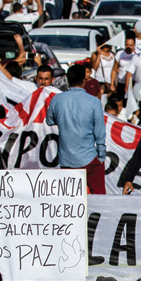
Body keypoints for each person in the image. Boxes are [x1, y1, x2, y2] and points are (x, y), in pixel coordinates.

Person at [46, 64, 107, 194]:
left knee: (71, 201)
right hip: (89, 158)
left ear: (68, 79)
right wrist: (101, 156)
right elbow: (99, 131)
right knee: (100, 200)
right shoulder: (93, 101)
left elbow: (49, 121)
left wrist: (64, 120)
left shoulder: (57, 99)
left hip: (67, 159)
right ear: (84, 80)